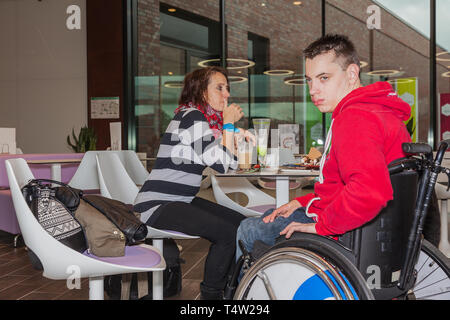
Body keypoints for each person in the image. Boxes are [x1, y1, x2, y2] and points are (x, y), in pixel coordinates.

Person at [236, 34, 412, 259]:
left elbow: (368, 191)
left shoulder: (355, 118)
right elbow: (343, 185)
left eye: (324, 78)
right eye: (310, 79)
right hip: (375, 228)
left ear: (351, 74)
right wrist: (303, 201)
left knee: (248, 230)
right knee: (272, 214)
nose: (313, 90)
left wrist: (322, 227)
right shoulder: (375, 110)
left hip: (347, 233)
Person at [134, 66, 254, 300]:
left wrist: (230, 134)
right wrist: (228, 126)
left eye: (227, 88)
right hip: (157, 205)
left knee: (242, 226)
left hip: (181, 201)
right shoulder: (191, 116)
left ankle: (231, 290)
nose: (227, 94)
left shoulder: (203, 123)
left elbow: (229, 166)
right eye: (219, 88)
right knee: (228, 233)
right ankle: (212, 297)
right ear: (201, 91)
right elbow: (222, 165)